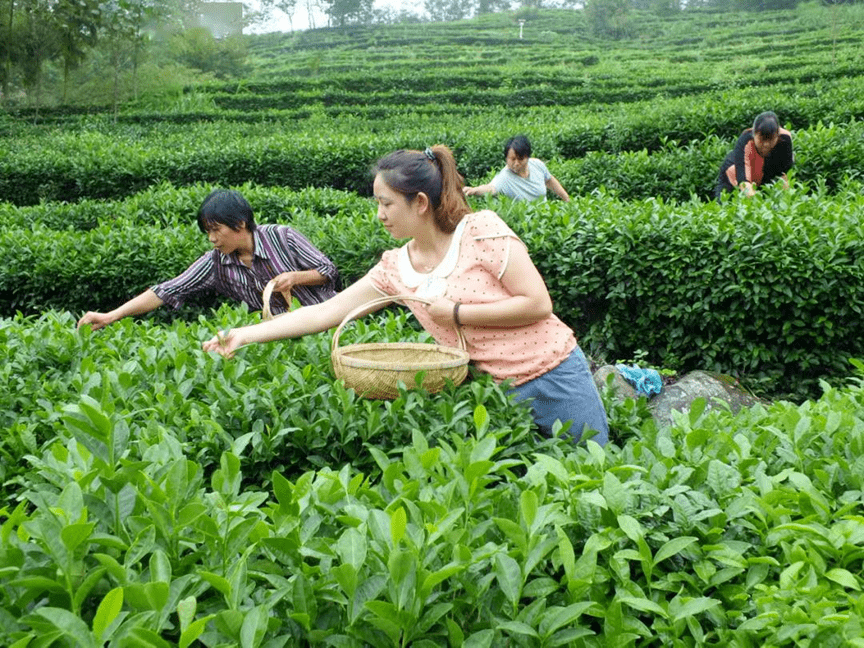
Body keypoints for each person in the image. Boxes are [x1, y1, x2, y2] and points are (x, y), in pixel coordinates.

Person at [203, 146, 608, 445]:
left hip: (552, 374)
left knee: (593, 467)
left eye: (385, 203)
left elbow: (538, 304)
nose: (379, 214)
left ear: (419, 203)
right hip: (491, 390)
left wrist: (456, 312)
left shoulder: (480, 231)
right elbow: (326, 312)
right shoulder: (396, 268)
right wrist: (244, 335)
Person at [77, 189, 339, 330]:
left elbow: (329, 270)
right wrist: (112, 315)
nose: (212, 239)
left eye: (216, 230)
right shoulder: (215, 263)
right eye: (208, 232)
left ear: (240, 224)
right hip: (284, 333)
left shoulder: (283, 237)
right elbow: (167, 290)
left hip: (331, 321)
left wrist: (296, 277)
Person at [463, 135, 571, 202]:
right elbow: (491, 188)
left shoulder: (537, 165)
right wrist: (474, 190)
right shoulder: (505, 177)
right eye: (512, 159)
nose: (516, 163)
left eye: (520, 159)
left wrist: (567, 199)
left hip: (545, 217)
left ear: (527, 157)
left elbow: (550, 180)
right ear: (506, 158)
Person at [715, 111, 794, 201]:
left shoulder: (785, 139)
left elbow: (785, 174)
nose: (766, 144)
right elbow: (744, 183)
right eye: (762, 139)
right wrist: (758, 204)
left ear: (777, 136)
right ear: (754, 134)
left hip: (760, 173)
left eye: (771, 139)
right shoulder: (745, 141)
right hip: (734, 174)